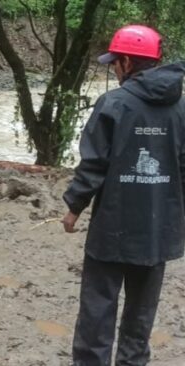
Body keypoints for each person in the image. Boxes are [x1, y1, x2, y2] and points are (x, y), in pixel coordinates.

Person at [62, 25, 185, 366]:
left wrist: (74, 207)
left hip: (111, 230)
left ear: (128, 63)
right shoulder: (181, 108)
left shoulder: (113, 103)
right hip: (157, 232)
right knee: (140, 317)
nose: (114, 69)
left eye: (116, 62)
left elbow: (94, 164)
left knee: (97, 310)